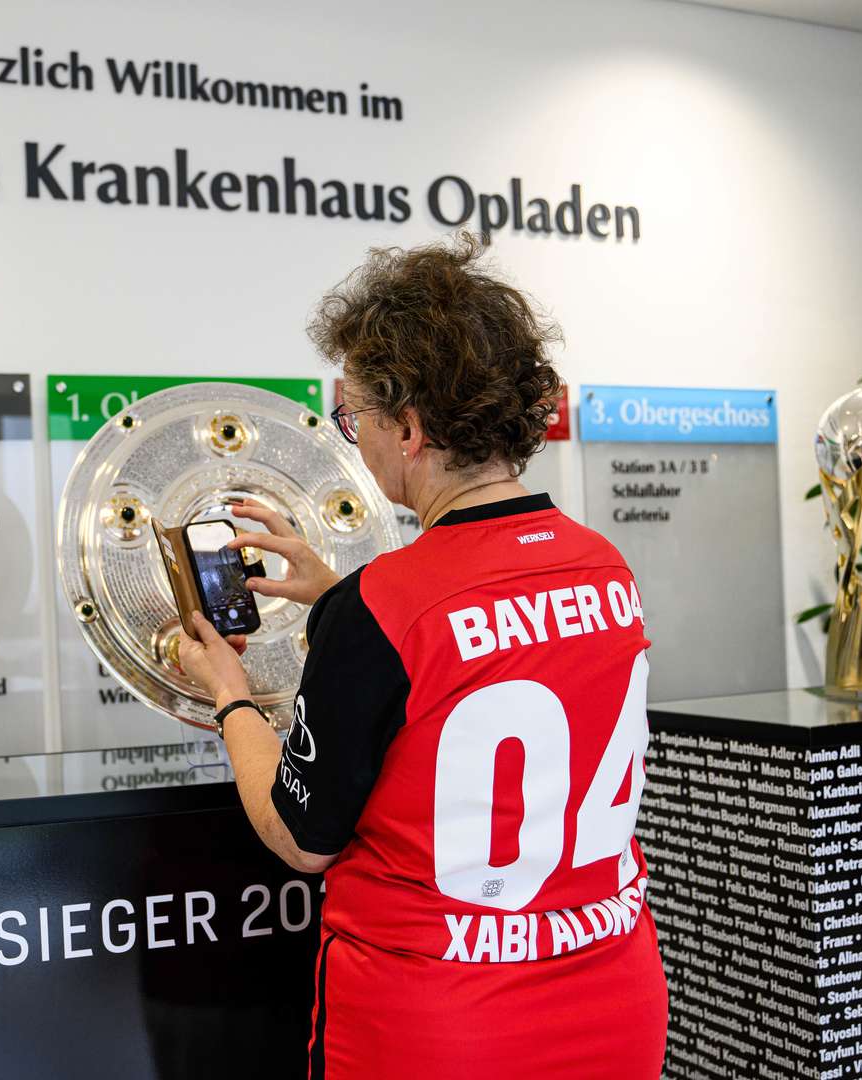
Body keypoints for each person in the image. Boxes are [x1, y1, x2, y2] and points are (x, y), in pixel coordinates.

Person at [178, 233, 667, 1078]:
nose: (353, 436)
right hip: (615, 1001)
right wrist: (340, 596)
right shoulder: (602, 565)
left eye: (354, 415)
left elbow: (302, 840)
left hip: (440, 1029)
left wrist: (231, 694)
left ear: (407, 427)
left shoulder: (387, 607)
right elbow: (485, 646)